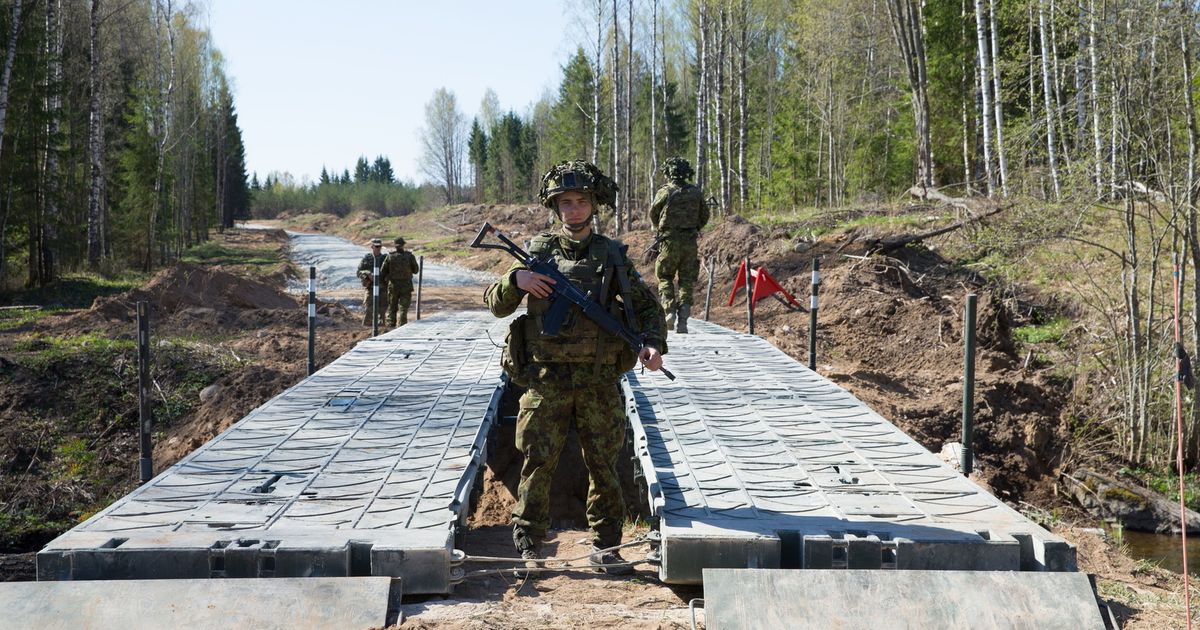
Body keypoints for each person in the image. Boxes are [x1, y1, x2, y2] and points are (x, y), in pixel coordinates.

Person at [484, 160, 668, 577]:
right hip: (545, 380)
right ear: (555, 207)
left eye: (581, 201)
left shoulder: (612, 256)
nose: (573, 210)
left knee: (604, 464)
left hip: (599, 381)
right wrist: (517, 282)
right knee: (536, 463)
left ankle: (606, 548)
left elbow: (646, 307)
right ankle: (529, 545)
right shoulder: (536, 253)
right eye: (565, 202)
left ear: (593, 205)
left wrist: (652, 345)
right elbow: (495, 304)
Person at [648, 157, 709, 334]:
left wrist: (659, 227)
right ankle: (683, 317)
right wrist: (694, 227)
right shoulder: (695, 192)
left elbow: (653, 213)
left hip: (668, 241)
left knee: (665, 276)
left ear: (669, 173)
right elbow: (704, 215)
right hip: (690, 242)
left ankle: (669, 311)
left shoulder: (664, 192)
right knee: (686, 280)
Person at [379, 236, 420, 328]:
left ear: (395, 246)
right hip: (406, 286)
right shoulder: (410, 256)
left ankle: (391, 326)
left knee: (392, 307)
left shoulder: (390, 256)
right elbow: (416, 270)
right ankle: (402, 325)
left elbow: (383, 271)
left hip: (393, 286)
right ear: (403, 245)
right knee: (403, 308)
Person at [356, 238, 388, 327]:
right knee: (369, 308)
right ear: (372, 247)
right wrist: (368, 274)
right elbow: (359, 272)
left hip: (382, 288)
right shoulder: (367, 258)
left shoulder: (385, 259)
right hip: (370, 287)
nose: (378, 248)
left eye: (379, 246)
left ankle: (382, 329)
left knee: (382, 310)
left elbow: (390, 272)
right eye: (376, 246)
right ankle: (366, 328)